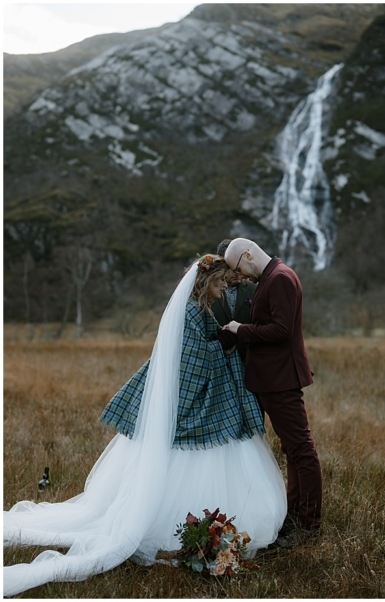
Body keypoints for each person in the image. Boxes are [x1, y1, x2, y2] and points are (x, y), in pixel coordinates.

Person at [2, 255, 287, 597]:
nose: (225, 286)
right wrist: (228, 341)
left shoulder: (200, 310)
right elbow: (193, 362)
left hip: (209, 397)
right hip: (193, 404)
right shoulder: (189, 313)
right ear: (204, 282)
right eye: (220, 281)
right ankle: (179, 529)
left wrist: (226, 338)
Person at [220, 238, 321, 547]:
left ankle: (309, 526)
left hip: (281, 378)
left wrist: (240, 329)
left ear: (248, 254)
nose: (241, 276)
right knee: (291, 450)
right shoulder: (270, 277)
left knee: (301, 450)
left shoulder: (280, 278)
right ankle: (294, 517)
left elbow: (282, 330)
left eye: (239, 267)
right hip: (270, 378)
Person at [214, 238, 258, 362]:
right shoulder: (209, 292)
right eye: (230, 267)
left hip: (249, 362)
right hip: (218, 362)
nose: (236, 272)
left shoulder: (254, 288)